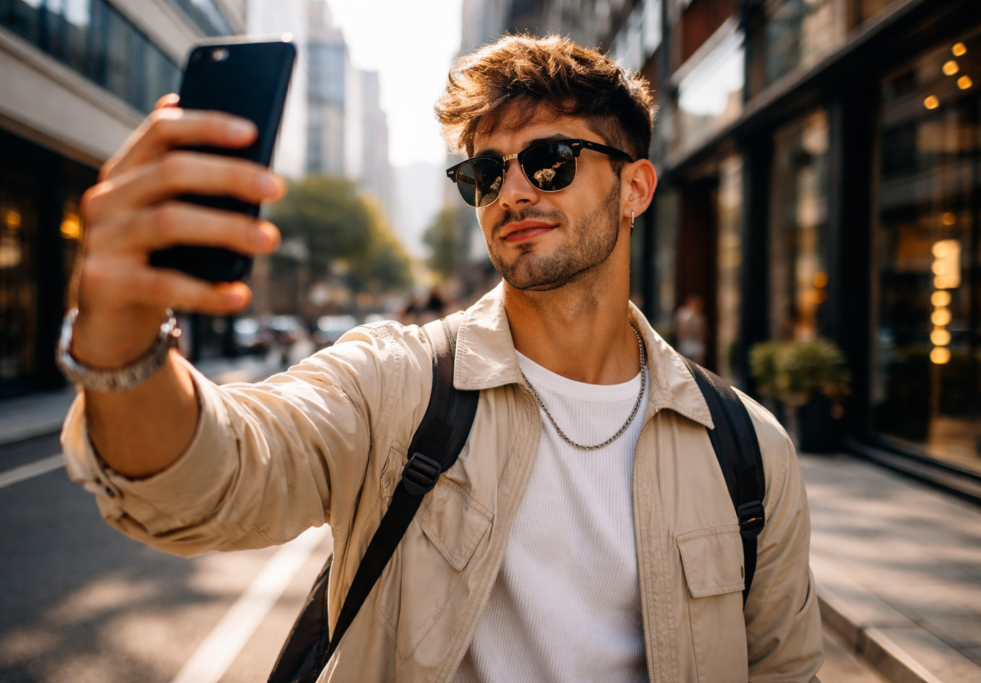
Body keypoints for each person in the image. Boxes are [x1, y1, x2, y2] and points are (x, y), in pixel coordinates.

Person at [60, 35, 822, 682]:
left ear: (635, 187)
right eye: (485, 174)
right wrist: (122, 339)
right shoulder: (398, 383)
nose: (512, 190)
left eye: (550, 159)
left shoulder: (749, 452)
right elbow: (214, 475)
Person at [676, 293, 707, 364]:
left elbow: (703, 330)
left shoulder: (700, 316)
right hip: (686, 343)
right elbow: (680, 329)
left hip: (697, 343)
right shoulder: (683, 314)